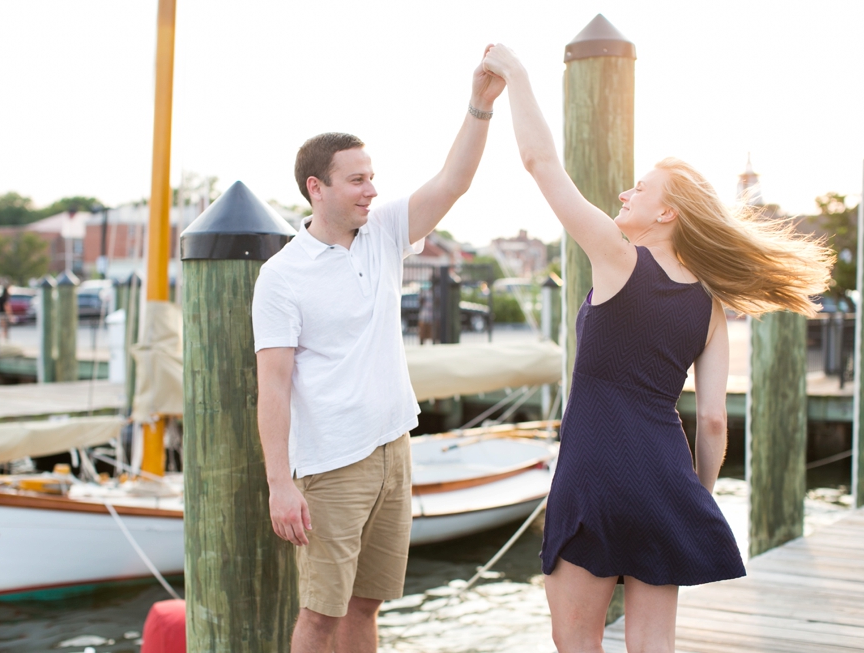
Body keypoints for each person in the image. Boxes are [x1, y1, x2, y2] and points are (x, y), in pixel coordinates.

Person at [481, 45, 833, 652]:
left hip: (593, 473)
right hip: (664, 477)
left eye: (638, 189)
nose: (623, 193)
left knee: (578, 644)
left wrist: (514, 74)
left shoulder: (619, 260)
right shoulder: (713, 306)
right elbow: (716, 424)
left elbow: (541, 162)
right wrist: (690, 493)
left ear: (666, 211)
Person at [252, 48, 504, 653]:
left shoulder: (385, 233)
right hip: (331, 466)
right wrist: (279, 484)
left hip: (394, 447)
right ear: (318, 187)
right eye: (357, 179)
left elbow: (454, 181)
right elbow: (274, 387)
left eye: (372, 176)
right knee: (321, 614)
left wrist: (480, 105)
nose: (372, 189)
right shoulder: (282, 277)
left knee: (367, 605)